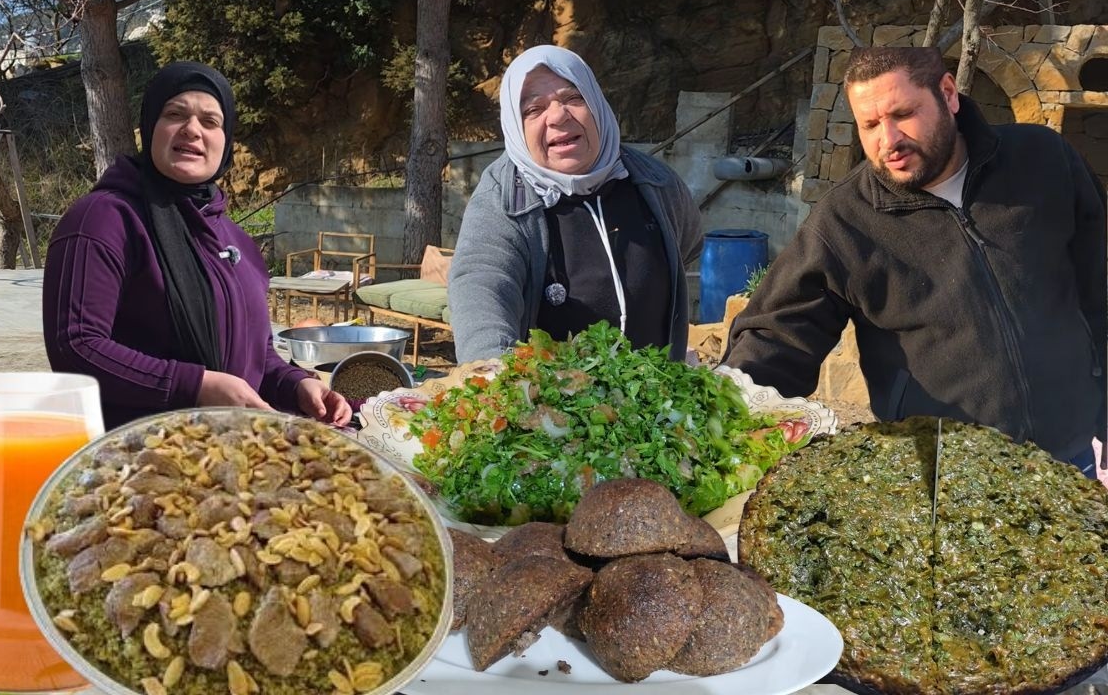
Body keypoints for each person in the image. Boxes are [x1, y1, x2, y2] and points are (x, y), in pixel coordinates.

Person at [724, 47, 1106, 476]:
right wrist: (726, 416)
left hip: (1069, 460)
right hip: (939, 479)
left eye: (902, 114)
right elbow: (777, 337)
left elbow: (1099, 288)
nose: (888, 141)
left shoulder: (1043, 160)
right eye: (869, 125)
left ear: (948, 93)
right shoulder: (844, 221)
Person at [43, 61, 350, 430]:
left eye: (210, 121)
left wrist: (297, 384)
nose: (192, 129)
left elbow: (256, 354)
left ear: (227, 141)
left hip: (229, 454)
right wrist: (196, 386)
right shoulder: (103, 219)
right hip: (137, 459)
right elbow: (76, 347)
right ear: (151, 127)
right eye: (175, 114)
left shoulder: (238, 244)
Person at [448, 45, 701, 362]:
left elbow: (688, 244)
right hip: (550, 407)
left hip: (658, 402)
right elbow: (480, 287)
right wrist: (491, 373)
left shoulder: (656, 183)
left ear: (596, 105)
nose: (557, 116)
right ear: (515, 127)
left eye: (573, 98)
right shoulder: (501, 199)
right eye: (533, 110)